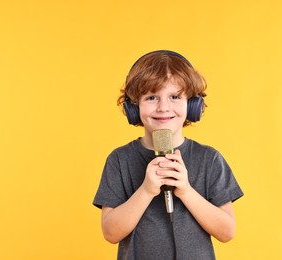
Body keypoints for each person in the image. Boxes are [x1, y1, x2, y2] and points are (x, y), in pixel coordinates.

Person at [93, 50, 243, 260]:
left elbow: (227, 232)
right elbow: (110, 232)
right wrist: (145, 190)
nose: (163, 108)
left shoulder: (210, 159)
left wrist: (186, 191)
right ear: (133, 107)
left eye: (174, 97)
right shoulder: (119, 160)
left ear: (192, 105)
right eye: (151, 97)